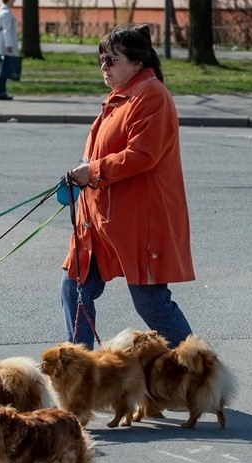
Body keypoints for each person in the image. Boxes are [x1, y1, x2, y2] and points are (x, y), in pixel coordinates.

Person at [61, 24, 195, 350]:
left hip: (138, 220)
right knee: (74, 289)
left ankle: (201, 373)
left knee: (151, 302)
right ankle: (79, 373)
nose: (104, 65)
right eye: (101, 59)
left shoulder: (151, 94)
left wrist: (91, 170)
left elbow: (142, 155)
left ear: (137, 61)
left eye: (112, 59)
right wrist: (82, 175)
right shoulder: (118, 97)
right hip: (99, 220)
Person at [0, 0, 18, 101]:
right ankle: (0, 92)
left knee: (2, 68)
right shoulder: (5, 12)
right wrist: (9, 45)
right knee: (3, 69)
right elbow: (7, 30)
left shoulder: (0, 10)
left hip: (1, 44)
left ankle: (2, 91)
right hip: (4, 46)